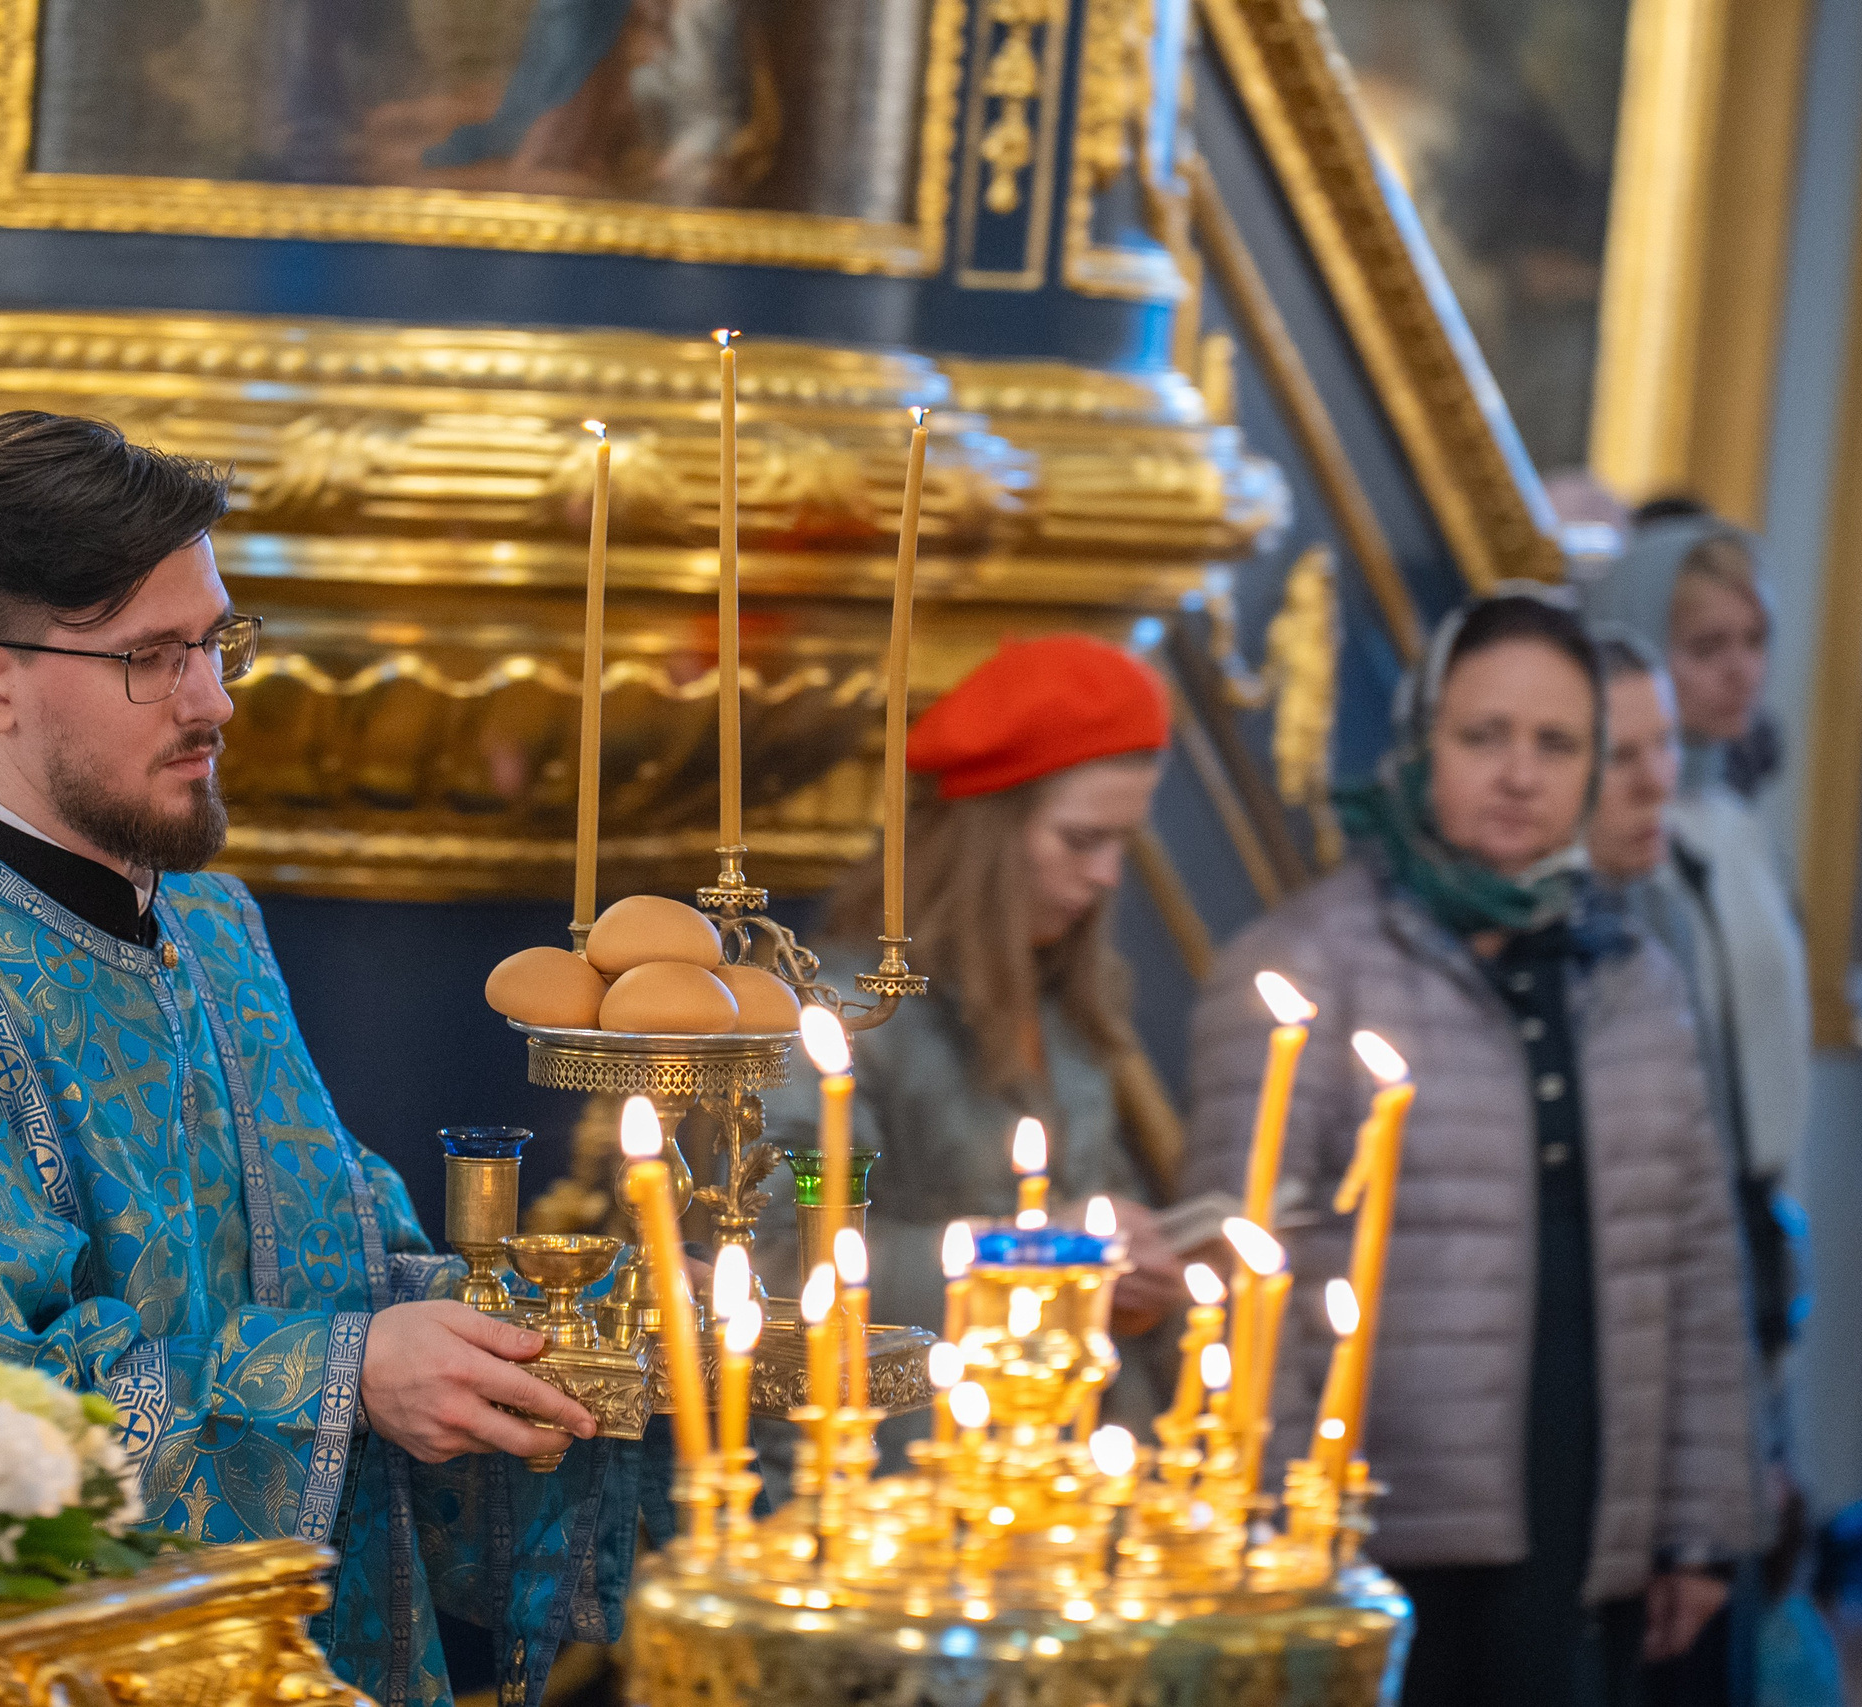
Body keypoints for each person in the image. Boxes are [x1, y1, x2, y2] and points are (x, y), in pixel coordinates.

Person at [0, 411, 638, 1707]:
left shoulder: (214, 925)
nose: (213, 699)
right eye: (151, 658)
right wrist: (342, 1376)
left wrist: (579, 1333)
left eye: (215, 642)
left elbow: (344, 1262)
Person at [1187, 589, 1756, 1707]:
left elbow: (1693, 1260)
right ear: (1418, 746)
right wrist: (1272, 1526)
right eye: (1481, 736)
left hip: (1586, 1496)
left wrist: (1696, 1525)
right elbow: (1241, 1269)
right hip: (1374, 1526)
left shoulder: (1634, 977)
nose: (1517, 774)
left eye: (1556, 744)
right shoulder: (1306, 966)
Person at [758, 634, 1186, 1440]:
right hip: (890, 1481)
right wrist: (1031, 1254)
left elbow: (1086, 1222)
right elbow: (778, 1266)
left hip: (1053, 1460)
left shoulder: (1063, 1008)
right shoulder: (837, 1020)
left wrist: (1136, 1282)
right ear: (985, 835)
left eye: (1123, 843)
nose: (1106, 878)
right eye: (1081, 839)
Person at [1580, 512, 1808, 1362]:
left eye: (1754, 639)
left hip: (1755, 1203)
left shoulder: (1736, 822)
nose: (1739, 668)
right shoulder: (1627, 840)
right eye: (1707, 644)